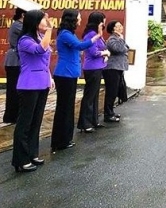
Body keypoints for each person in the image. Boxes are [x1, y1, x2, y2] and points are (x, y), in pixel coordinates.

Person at [51, 10, 104, 153]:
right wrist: (97, 36)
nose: (80, 20)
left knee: (68, 108)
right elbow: (80, 46)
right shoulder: (65, 35)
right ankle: (59, 140)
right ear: (72, 19)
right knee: (64, 109)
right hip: (64, 74)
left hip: (71, 74)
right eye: (79, 18)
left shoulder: (70, 34)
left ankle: (66, 138)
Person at [11, 9, 53, 173]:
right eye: (43, 20)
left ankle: (32, 153)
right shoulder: (25, 40)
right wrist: (50, 29)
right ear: (35, 22)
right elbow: (40, 50)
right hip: (29, 84)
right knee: (25, 123)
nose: (46, 23)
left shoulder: (40, 37)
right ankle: (20, 160)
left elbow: (45, 58)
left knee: (36, 121)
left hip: (42, 83)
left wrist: (49, 77)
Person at [78, 12, 110, 132]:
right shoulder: (90, 34)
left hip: (98, 66)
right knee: (89, 96)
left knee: (95, 95)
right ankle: (85, 123)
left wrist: (105, 54)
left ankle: (94, 120)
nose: (104, 22)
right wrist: (105, 53)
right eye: (103, 20)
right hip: (92, 68)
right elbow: (93, 52)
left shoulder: (98, 34)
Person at [102, 21, 129, 123]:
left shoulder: (118, 38)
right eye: (118, 26)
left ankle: (111, 112)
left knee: (115, 91)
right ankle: (107, 114)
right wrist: (121, 40)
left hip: (118, 68)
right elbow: (120, 49)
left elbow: (127, 48)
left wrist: (122, 41)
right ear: (113, 29)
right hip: (111, 69)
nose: (121, 27)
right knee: (111, 92)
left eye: (121, 25)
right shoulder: (112, 39)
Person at [3, 7, 25, 124]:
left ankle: (15, 115)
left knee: (18, 89)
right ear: (23, 15)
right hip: (13, 61)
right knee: (13, 89)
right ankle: (11, 116)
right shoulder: (17, 25)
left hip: (18, 60)